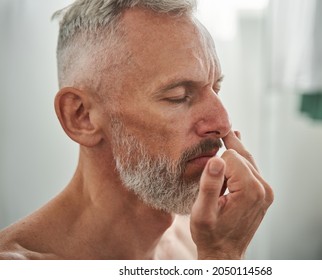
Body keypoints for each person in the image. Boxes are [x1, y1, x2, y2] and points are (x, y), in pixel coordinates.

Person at [0, 0, 273, 260]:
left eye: (216, 89)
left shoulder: (202, 236)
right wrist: (223, 257)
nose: (222, 122)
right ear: (81, 116)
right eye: (178, 96)